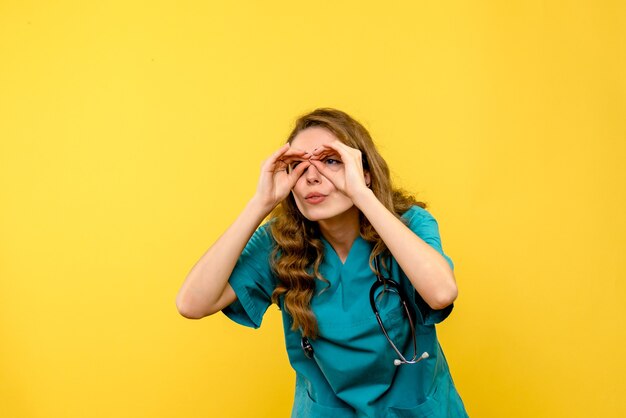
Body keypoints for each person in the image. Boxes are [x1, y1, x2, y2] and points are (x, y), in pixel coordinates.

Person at [176, 108, 468, 417]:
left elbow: (441, 293)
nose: (312, 176)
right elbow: (192, 303)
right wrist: (260, 204)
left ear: (363, 171)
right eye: (299, 166)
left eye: (331, 162)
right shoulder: (280, 242)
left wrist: (362, 194)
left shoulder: (409, 225)